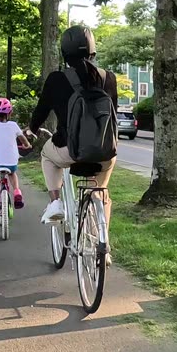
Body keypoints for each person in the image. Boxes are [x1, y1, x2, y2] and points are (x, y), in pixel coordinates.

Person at [28, 25, 118, 227]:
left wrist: (30, 130)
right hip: (105, 153)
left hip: (70, 150)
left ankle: (55, 203)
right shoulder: (108, 79)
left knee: (46, 155)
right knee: (100, 192)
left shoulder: (56, 79)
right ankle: (104, 248)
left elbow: (40, 113)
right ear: (92, 51)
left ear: (64, 53)